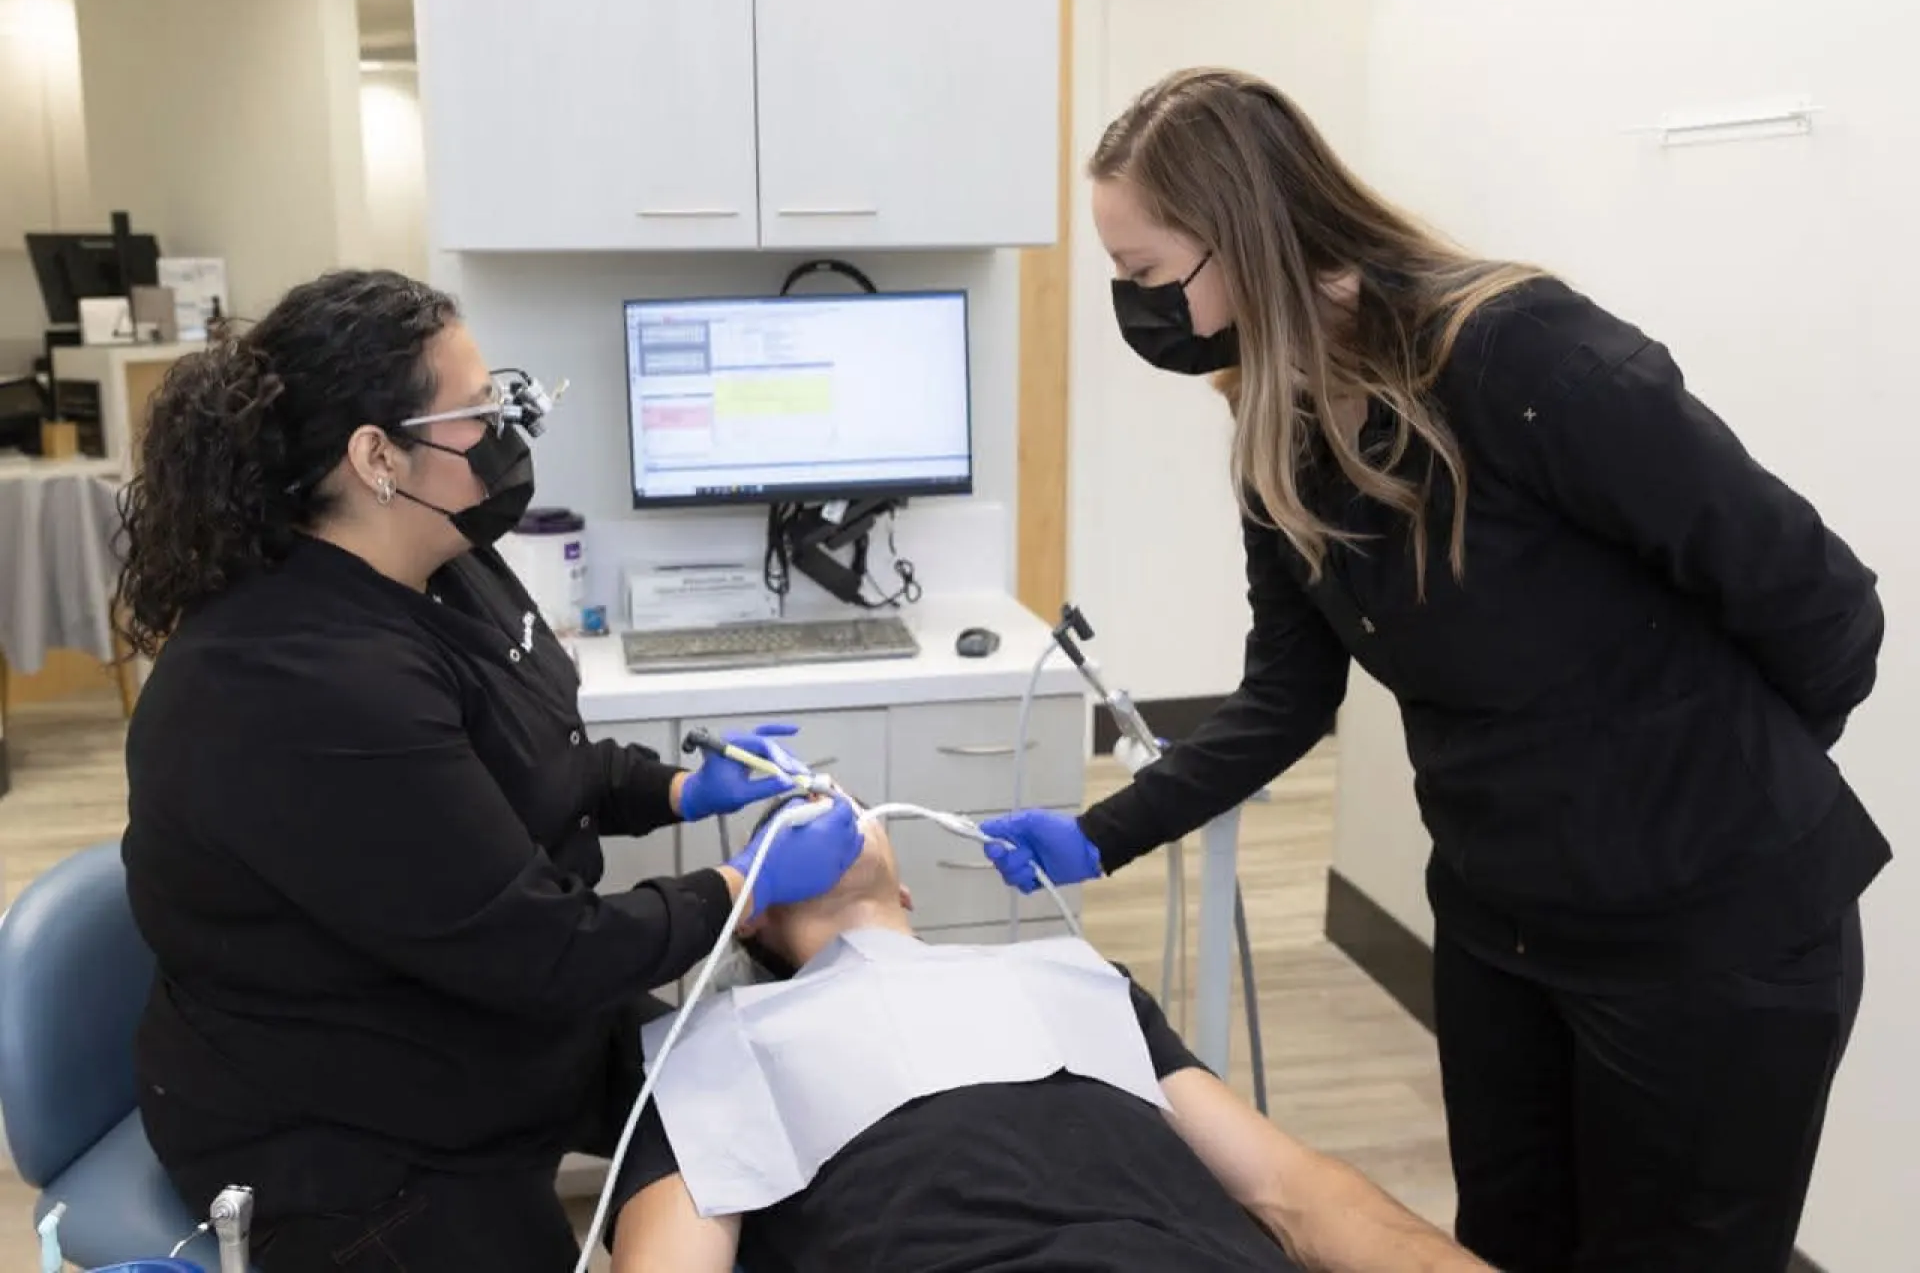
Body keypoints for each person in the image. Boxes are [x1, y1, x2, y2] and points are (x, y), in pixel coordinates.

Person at [978, 67, 1887, 1273]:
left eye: (1143, 271)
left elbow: (1825, 606)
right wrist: (1102, 833)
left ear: (1241, 234)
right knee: (1501, 1243)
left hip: (1712, 939)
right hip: (1506, 924)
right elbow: (1288, 694)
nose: (1134, 306)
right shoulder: (1281, 426)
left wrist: (1711, 786)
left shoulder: (1520, 358)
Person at [114, 269, 867, 1272]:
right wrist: (744, 887)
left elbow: (534, 755)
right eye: (478, 413)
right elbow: (543, 946)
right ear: (377, 456)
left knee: (766, 1116)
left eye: (507, 399)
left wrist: (678, 789)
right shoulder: (296, 680)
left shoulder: (440, 559)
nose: (509, 433)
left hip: (487, 1010)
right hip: (343, 1120)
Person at [608, 795, 1488, 1273]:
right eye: (788, 820)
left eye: (842, 801)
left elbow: (1296, 1192)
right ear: (750, 914)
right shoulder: (713, 1047)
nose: (820, 803)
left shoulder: (1071, 978)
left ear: (906, 890)